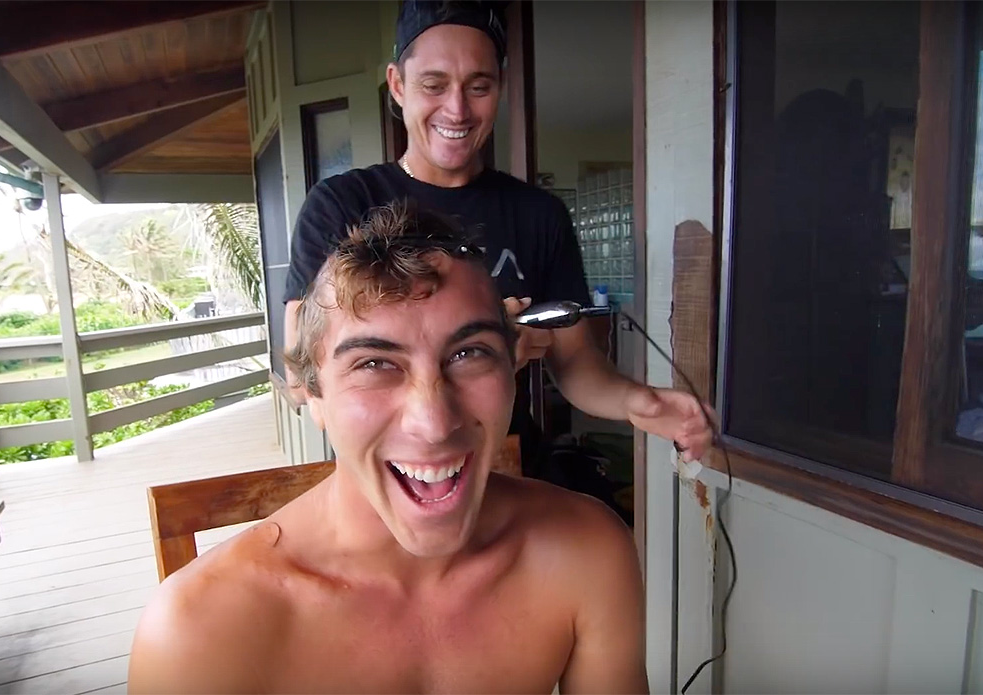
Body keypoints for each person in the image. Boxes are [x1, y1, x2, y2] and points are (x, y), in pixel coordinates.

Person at [128, 205, 647, 693]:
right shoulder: (202, 629)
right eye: (374, 364)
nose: (434, 423)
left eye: (469, 353)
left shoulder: (586, 552)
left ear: (511, 369)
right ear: (314, 394)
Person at [284, 0, 713, 467]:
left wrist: (639, 402)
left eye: (479, 87)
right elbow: (303, 376)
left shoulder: (539, 214)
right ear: (398, 84)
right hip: (390, 466)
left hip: (504, 461)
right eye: (434, 85)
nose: (457, 109)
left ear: (500, 87)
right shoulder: (341, 205)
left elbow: (576, 364)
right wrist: (484, 346)